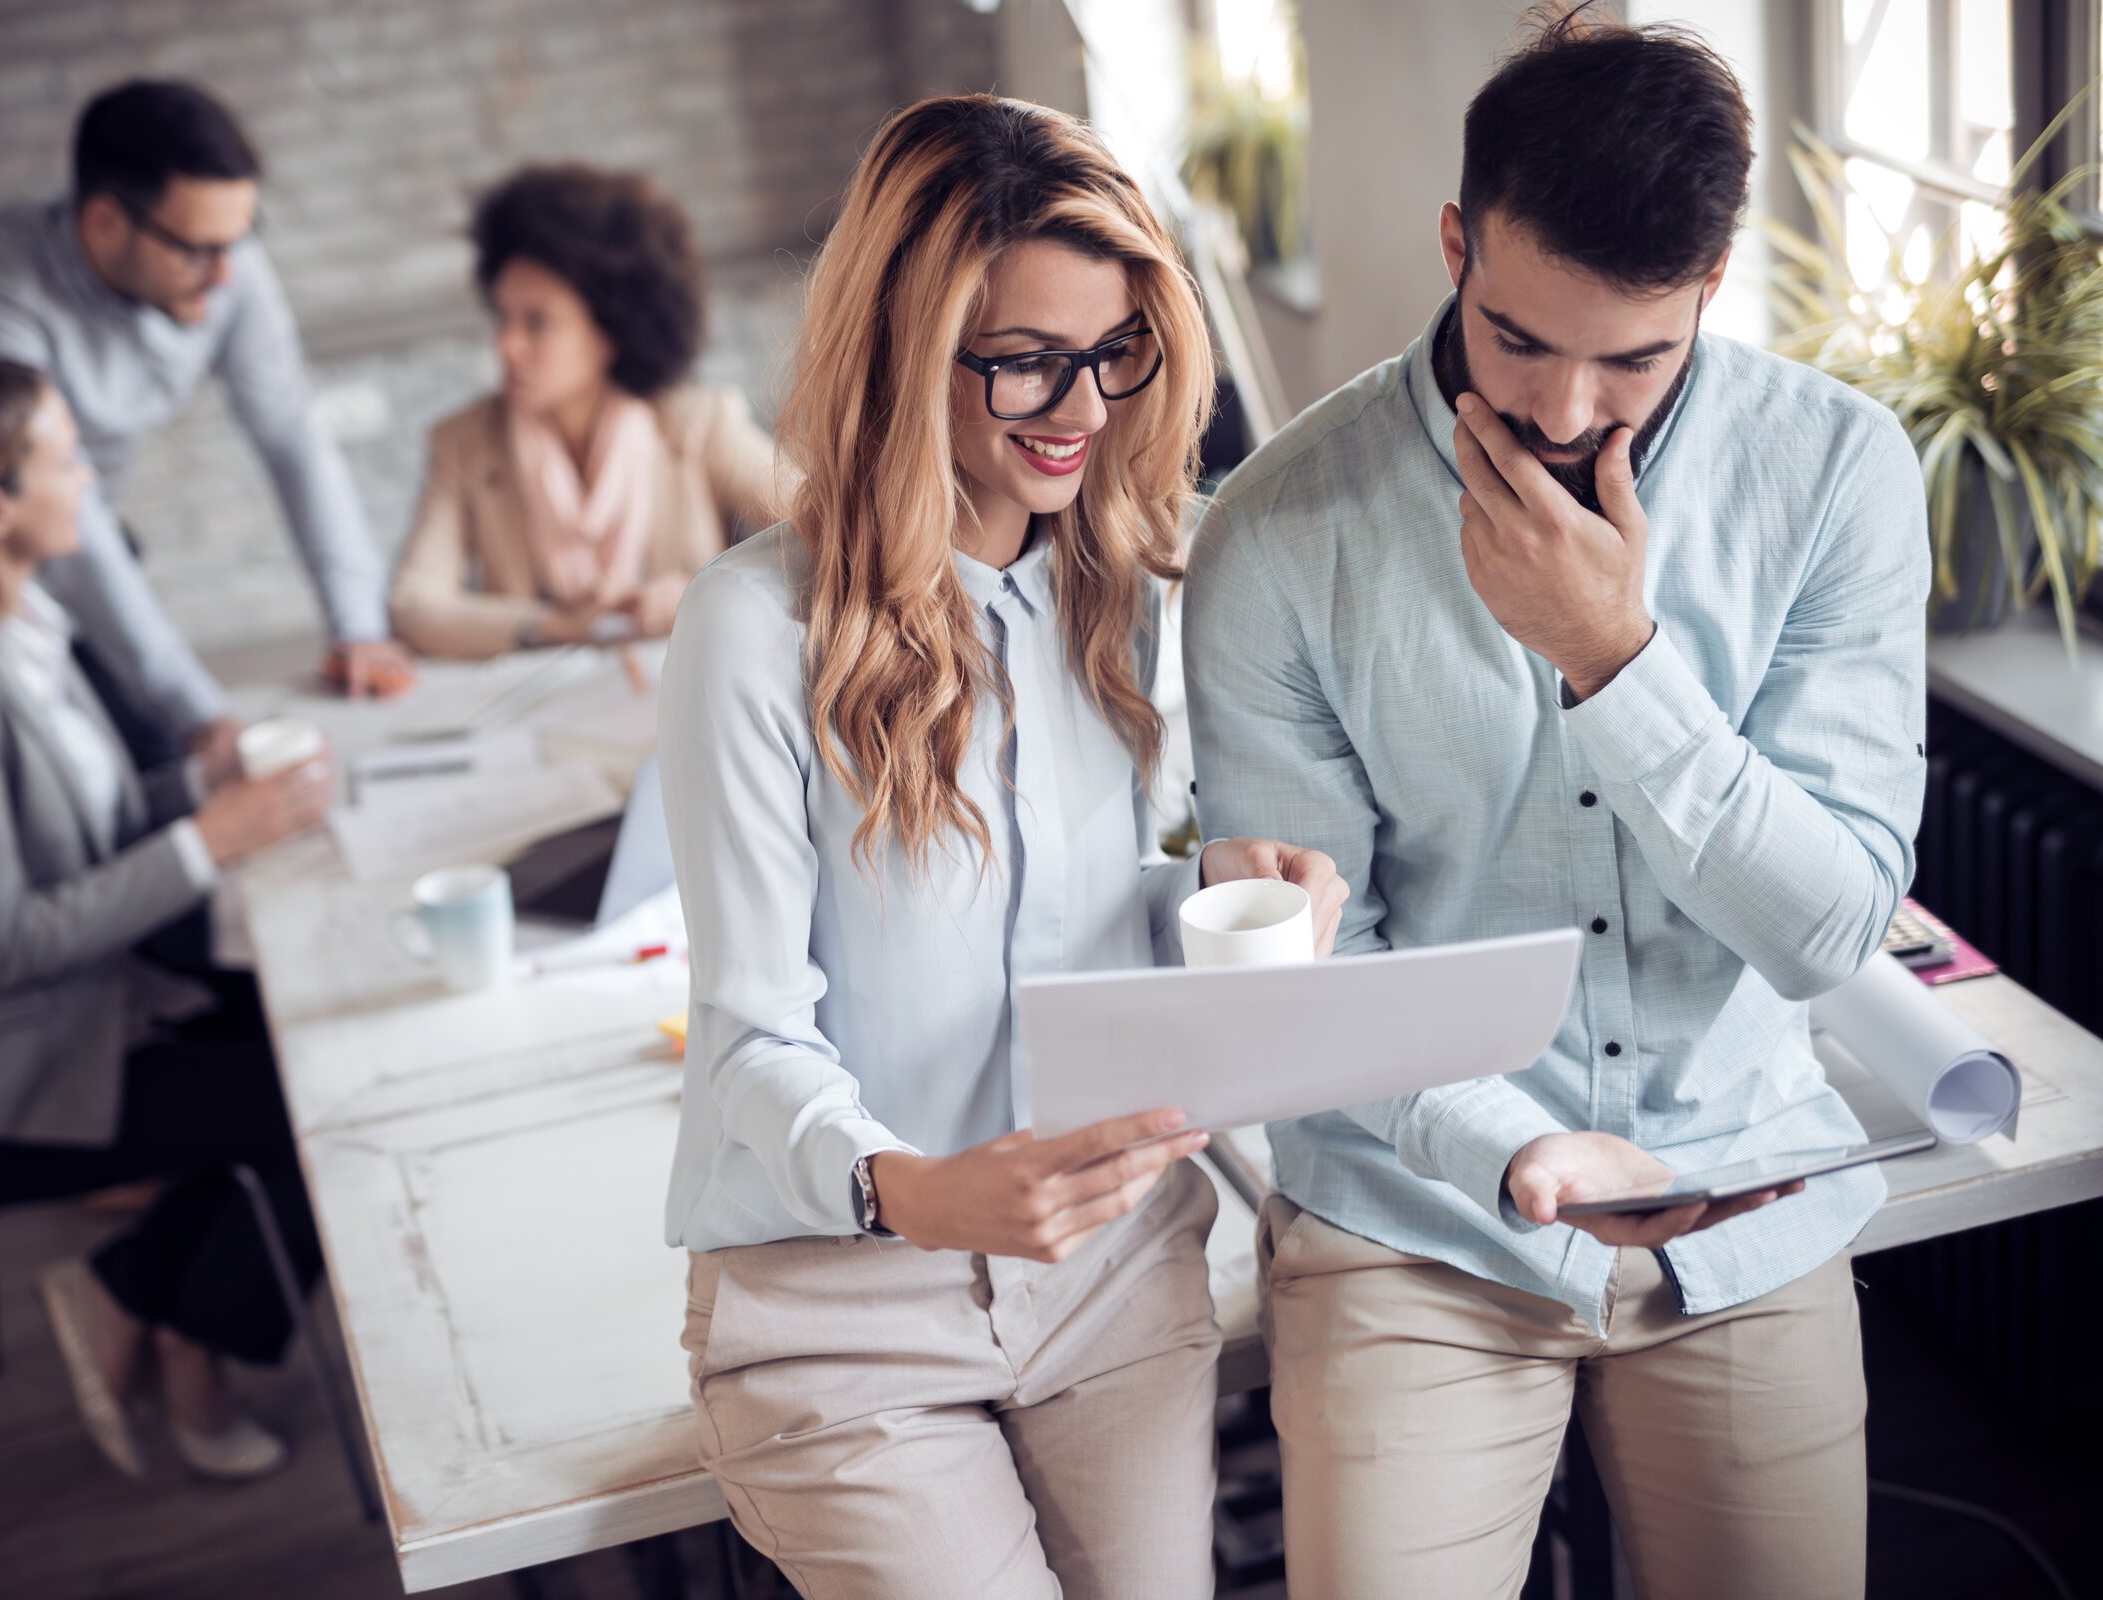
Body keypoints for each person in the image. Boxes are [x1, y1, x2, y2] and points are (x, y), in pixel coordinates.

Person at [1184, 14, 1929, 1599]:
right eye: (1519, 337)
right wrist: (1517, 1147)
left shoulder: (1839, 475)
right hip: (1414, 1215)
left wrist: (1615, 660)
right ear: (1456, 243)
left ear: (1710, 289)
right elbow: (1313, 965)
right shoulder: (1271, 535)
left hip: (1747, 1189)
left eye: (1634, 357)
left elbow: (1830, 931)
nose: (1571, 408)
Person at [658, 95, 1348, 1600]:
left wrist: (1214, 897)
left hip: (1111, 1274)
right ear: (902, 355)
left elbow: (1079, 921)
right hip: (845, 1309)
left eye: (1115, 352)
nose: (1082, 408)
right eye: (1026, 358)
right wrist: (916, 1188)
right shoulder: (752, 630)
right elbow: (751, 1034)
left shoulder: (1123, 587)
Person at [0, 354, 340, 1483]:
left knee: (318, 1048)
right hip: (4, 1076)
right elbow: (1, 939)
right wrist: (211, 840)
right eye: (66, 460)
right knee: (313, 1105)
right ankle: (187, 1341)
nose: (89, 481)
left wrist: (210, 794)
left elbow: (90, 815)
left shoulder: (24, 624)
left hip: (96, 1007)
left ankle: (131, 1289)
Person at [0, 77, 415, 777]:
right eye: (199, 250)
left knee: (149, 759)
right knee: (62, 779)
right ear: (106, 221)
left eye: (242, 238)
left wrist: (359, 628)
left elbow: (293, 436)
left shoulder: (224, 262)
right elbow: (63, 528)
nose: (228, 276)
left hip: (64, 514)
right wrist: (199, 710)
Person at [386, 163, 780, 656]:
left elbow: (824, 537)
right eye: (503, 317)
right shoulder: (464, 441)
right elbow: (414, 605)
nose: (507, 345)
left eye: (537, 322)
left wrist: (703, 594)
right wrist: (556, 624)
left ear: (610, 331)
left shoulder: (698, 424)